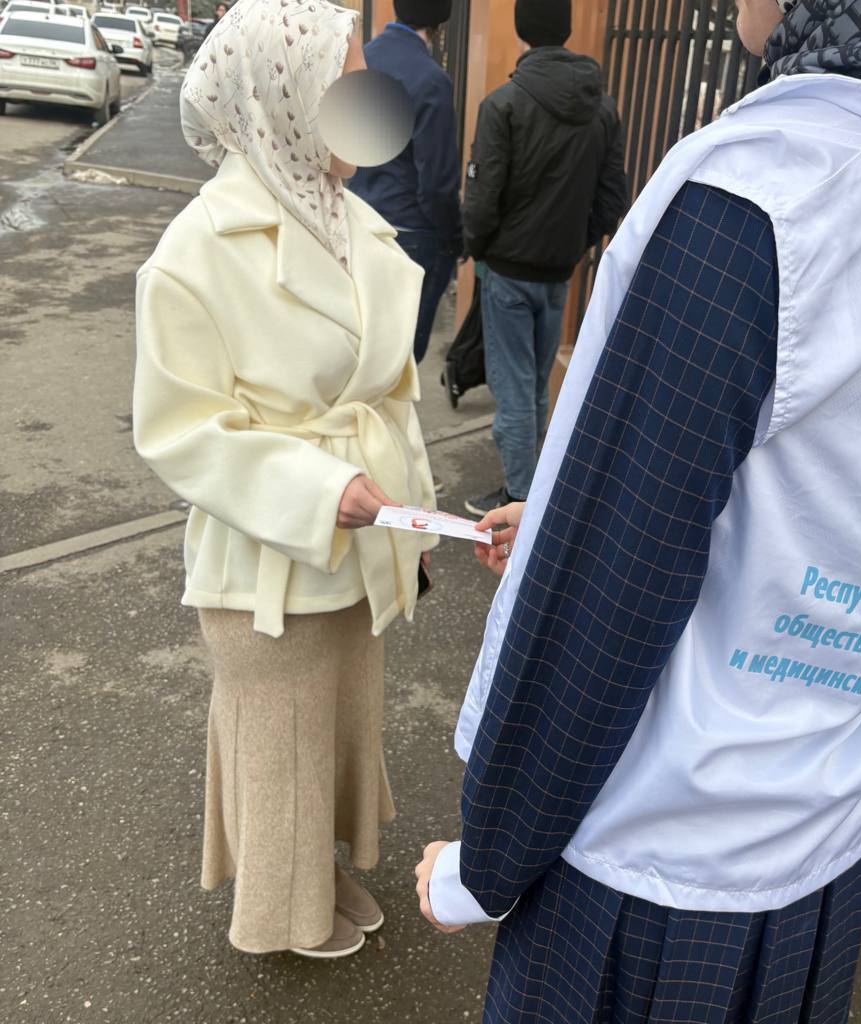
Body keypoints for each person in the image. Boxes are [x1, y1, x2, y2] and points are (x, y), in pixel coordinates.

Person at [414, 0, 861, 1018]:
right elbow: (828, 506)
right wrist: (580, 517)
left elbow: (604, 609)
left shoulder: (762, 194)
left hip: (646, 861)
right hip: (824, 842)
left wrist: (481, 867)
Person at [134, 0, 437, 960]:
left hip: (361, 542)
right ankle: (282, 912)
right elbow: (180, 430)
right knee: (281, 739)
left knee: (337, 724)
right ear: (279, 97)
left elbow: (391, 402)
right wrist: (314, 489)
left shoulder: (354, 220)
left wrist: (416, 527)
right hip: (265, 552)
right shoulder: (195, 250)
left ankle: (320, 870)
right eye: (344, 84)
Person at [462, 0, 627, 517]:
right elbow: (613, 198)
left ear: (522, 30)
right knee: (534, 385)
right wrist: (575, 243)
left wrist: (479, 247)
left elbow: (482, 199)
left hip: (508, 269)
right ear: (567, 29)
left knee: (514, 389)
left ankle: (521, 499)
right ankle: (532, 487)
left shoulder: (503, 104)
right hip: (559, 270)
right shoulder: (601, 108)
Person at [349, 0, 462, 366]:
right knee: (402, 361)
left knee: (363, 348)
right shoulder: (431, 80)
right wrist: (454, 238)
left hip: (357, 220)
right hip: (410, 232)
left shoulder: (361, 59)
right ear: (439, 26)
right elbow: (437, 183)